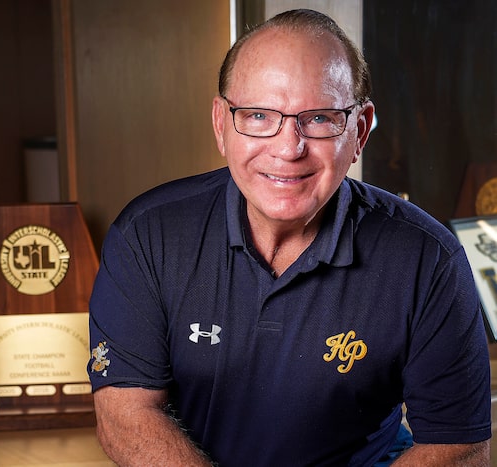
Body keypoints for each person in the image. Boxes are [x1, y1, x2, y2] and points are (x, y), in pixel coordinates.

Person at [86, 8, 491, 466]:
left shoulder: (427, 258)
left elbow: (458, 443)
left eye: (318, 118)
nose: (287, 148)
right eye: (258, 115)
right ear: (221, 124)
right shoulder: (147, 235)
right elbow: (125, 414)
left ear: (358, 131)